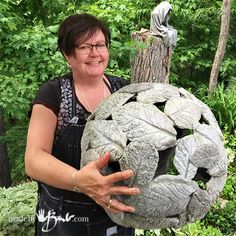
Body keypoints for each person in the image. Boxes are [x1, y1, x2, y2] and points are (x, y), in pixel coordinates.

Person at [24, 13, 140, 236]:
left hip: (116, 216)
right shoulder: (53, 94)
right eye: (85, 46)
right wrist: (78, 180)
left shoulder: (123, 90)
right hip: (64, 220)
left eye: (100, 45)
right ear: (68, 54)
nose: (95, 53)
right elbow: (33, 159)